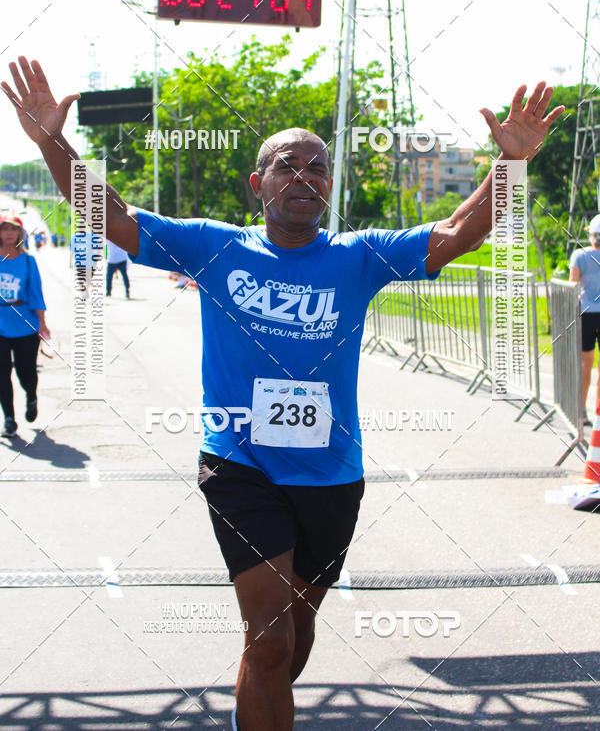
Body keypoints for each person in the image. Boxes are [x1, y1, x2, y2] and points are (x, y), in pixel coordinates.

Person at [1, 57, 564, 731]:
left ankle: (255, 702)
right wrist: (50, 143)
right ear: (257, 184)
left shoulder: (358, 255)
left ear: (328, 186)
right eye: (287, 166)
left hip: (331, 475)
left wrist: (511, 166)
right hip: (242, 468)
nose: (304, 177)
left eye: (316, 168)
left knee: (292, 641)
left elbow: (453, 234)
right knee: (268, 641)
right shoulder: (214, 248)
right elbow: (113, 217)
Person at [0, 213, 50, 436]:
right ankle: (9, 418)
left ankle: (31, 395)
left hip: (24, 322)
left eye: (13, 229)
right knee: (2, 373)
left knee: (25, 371)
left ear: (20, 233)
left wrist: (42, 323)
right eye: (4, 229)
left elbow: (36, 293)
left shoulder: (28, 261)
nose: (9, 233)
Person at [569, 214, 600, 424]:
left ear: (591, 234)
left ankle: (580, 410)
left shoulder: (579, 255)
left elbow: (573, 284)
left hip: (586, 313)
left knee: (585, 363)